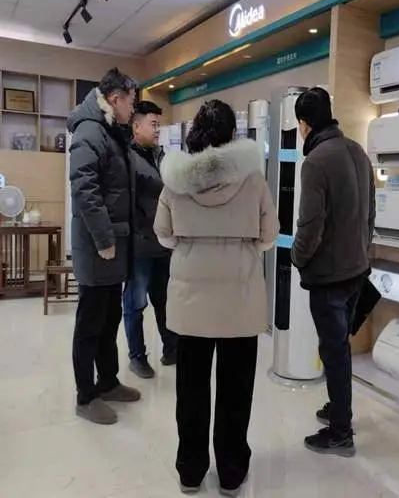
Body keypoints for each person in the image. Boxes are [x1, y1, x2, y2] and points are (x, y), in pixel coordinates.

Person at [154, 100, 278, 496]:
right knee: (235, 391)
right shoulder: (253, 179)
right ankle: (230, 472)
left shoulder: (175, 180)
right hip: (240, 301)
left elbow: (163, 234)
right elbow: (269, 236)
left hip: (190, 304)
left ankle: (190, 471)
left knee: (190, 390)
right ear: (232, 134)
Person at [290, 87, 375, 457]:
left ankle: (341, 432)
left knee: (334, 351)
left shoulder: (316, 162)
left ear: (304, 124)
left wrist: (297, 257)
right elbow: (370, 214)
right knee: (340, 348)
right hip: (357, 270)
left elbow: (310, 225)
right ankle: (338, 408)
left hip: (329, 277)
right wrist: (361, 252)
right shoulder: (357, 151)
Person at [68, 68, 141, 425]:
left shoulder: (110, 130)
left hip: (113, 247)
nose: (133, 110)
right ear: (115, 99)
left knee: (110, 318)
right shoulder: (90, 131)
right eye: (131, 103)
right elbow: (85, 190)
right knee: (90, 323)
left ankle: (108, 382)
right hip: (99, 247)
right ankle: (85, 396)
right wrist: (104, 239)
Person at [123, 100, 178, 379]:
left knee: (164, 300)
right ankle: (137, 357)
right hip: (139, 245)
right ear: (136, 127)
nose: (158, 129)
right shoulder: (127, 159)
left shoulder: (160, 155)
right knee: (135, 303)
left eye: (159, 124)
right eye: (153, 124)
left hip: (163, 244)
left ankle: (172, 349)